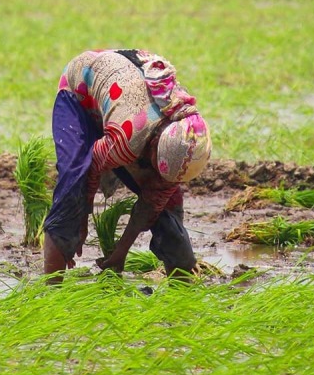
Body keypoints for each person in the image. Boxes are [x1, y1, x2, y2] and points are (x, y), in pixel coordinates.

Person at [42, 49, 212, 281]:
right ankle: (50, 287)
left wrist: (120, 254)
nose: (157, 180)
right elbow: (93, 166)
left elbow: (150, 204)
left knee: (167, 200)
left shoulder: (187, 132)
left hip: (121, 104)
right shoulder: (126, 140)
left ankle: (181, 277)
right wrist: (82, 218)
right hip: (80, 92)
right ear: (153, 147)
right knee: (74, 178)